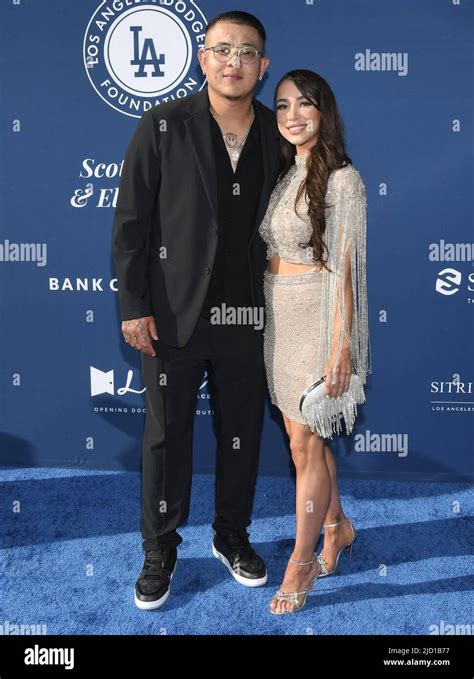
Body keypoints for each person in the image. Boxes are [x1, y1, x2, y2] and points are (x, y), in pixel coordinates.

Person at [112, 11, 282, 610]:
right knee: (166, 437)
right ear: (203, 59)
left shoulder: (277, 132)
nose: (233, 61)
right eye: (222, 50)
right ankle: (159, 549)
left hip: (250, 319)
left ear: (263, 67)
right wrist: (134, 305)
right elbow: (131, 222)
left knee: (242, 433)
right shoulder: (161, 125)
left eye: (247, 52)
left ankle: (231, 535)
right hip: (173, 316)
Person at [258, 70, 372, 614]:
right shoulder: (289, 172)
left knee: (305, 445)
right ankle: (338, 527)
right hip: (280, 317)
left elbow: (346, 272)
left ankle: (301, 562)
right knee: (302, 439)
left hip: (320, 320)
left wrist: (342, 345)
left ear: (324, 110)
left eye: (304, 104)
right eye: (281, 106)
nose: (292, 116)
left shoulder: (343, 180)